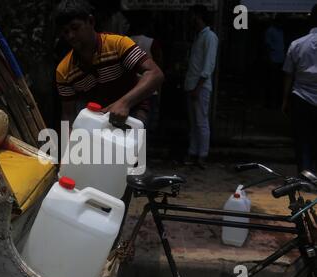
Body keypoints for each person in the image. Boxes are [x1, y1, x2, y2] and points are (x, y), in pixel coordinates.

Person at [54, 0, 164, 129]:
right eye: (65, 32)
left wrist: (124, 103)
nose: (70, 36)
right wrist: (70, 146)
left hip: (133, 111)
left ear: (91, 21)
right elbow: (68, 115)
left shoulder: (118, 44)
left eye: (75, 28)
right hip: (98, 120)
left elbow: (155, 74)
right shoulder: (63, 71)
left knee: (131, 146)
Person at [282, 4, 317, 174]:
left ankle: (305, 174)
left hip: (301, 97)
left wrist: (285, 100)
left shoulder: (297, 44)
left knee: (303, 140)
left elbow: (289, 75)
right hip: (303, 96)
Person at [183, 4, 219, 169]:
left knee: (201, 122)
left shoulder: (209, 37)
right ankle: (194, 152)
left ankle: (202, 155)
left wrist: (198, 86)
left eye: (192, 16)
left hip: (200, 86)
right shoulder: (200, 36)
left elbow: (208, 66)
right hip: (194, 85)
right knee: (195, 122)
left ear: (198, 17)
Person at [265, 14, 286, 109]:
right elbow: (267, 46)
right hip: (273, 59)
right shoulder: (270, 30)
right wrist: (269, 59)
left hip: (281, 59)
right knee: (271, 82)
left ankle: (277, 103)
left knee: (279, 82)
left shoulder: (281, 30)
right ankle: (270, 103)